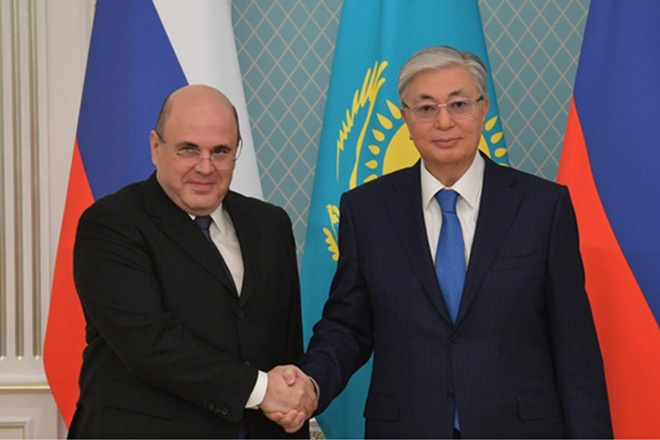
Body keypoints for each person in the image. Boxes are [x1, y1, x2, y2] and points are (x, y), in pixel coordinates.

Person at [286, 46, 613, 438]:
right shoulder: (367, 210)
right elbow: (347, 326)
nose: (444, 122)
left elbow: (574, 346)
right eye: (426, 108)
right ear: (406, 118)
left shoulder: (542, 207)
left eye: (459, 104)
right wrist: (310, 383)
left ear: (482, 109)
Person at [68, 84, 316, 438]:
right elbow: (149, 343)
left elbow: (285, 345)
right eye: (188, 149)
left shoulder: (269, 224)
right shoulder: (111, 223)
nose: (205, 167)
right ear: (156, 147)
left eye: (220, 151)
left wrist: (292, 408)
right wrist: (261, 390)